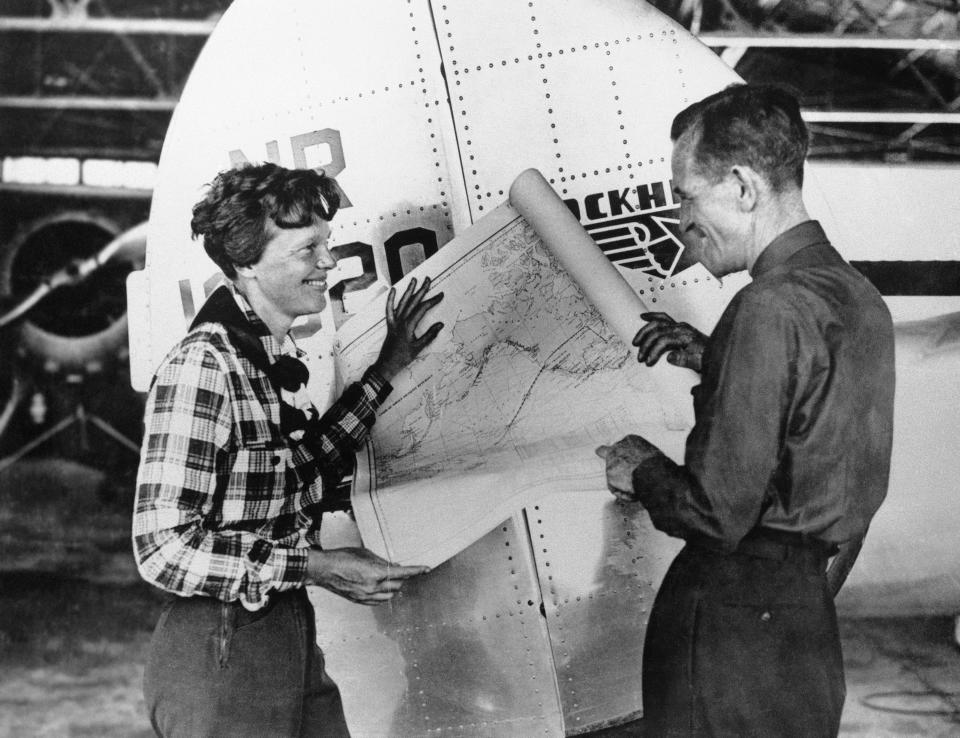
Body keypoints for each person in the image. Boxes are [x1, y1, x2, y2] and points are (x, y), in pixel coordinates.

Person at [596, 84, 895, 737]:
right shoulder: (856, 296)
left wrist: (640, 467)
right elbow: (820, 411)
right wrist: (717, 359)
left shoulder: (766, 308)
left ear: (741, 186)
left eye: (685, 195)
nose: (680, 221)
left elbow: (716, 513)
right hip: (805, 626)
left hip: (729, 630)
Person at [132, 162, 444, 737]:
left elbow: (303, 470)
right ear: (247, 262)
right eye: (309, 249)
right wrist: (319, 566)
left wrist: (387, 368)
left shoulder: (256, 357)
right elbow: (162, 549)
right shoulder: (204, 366)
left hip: (282, 635)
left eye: (326, 244)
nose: (329, 261)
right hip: (221, 656)